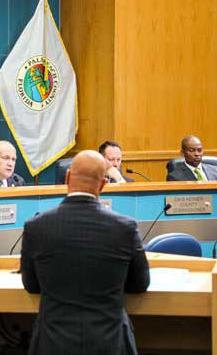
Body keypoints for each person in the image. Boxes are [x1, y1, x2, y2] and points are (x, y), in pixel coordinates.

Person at [20, 150, 150, 355]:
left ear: (68, 178)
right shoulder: (124, 227)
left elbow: (32, 286)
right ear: (103, 185)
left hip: (52, 344)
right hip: (111, 343)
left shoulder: (36, 227)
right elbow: (140, 284)